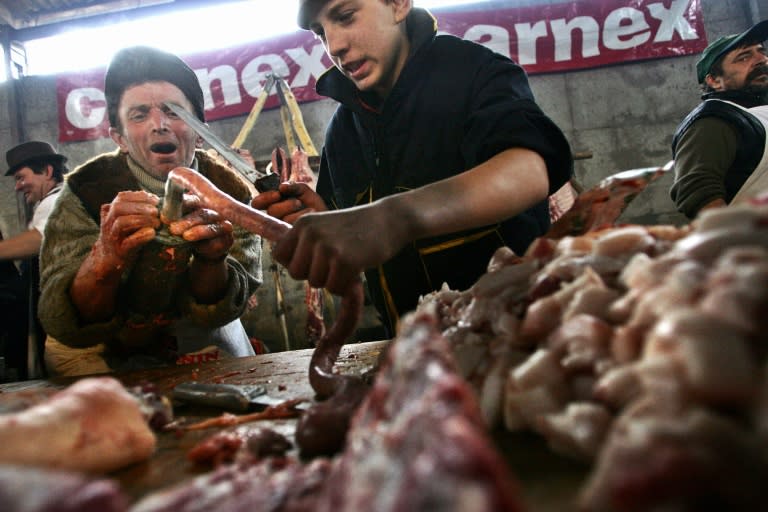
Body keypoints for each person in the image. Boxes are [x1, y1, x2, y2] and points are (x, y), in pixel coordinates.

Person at [252, 0, 573, 337]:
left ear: (398, 5)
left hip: (517, 338)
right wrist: (321, 223)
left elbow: (531, 168)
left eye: (345, 17)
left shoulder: (473, 71)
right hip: (413, 351)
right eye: (320, 34)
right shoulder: (344, 130)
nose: (335, 47)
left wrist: (396, 217)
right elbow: (355, 241)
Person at [38, 46, 262, 376]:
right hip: (101, 347)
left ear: (199, 132)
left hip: (199, 336)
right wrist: (106, 257)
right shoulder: (85, 191)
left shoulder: (231, 192)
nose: (159, 125)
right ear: (120, 138)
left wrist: (212, 261)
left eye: (173, 112)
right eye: (139, 115)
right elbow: (64, 317)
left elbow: (227, 308)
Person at [670, 20, 768, 218]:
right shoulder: (714, 120)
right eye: (743, 57)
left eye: (762, 51)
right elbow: (696, 191)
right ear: (714, 81)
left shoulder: (759, 111)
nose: (761, 60)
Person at [0, 141, 68, 379]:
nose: (18, 187)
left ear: (47, 171)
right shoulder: (49, 202)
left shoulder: (58, 200)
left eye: (21, 177)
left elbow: (38, 239)